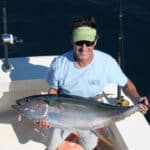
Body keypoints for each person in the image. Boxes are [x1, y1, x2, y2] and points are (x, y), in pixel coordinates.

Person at [40, 16, 149, 150]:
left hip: (93, 110)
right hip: (65, 111)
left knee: (90, 146)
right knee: (51, 147)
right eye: (79, 42)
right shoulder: (59, 65)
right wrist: (46, 117)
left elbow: (126, 84)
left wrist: (138, 99)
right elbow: (53, 92)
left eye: (89, 42)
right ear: (72, 41)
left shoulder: (107, 63)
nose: (84, 47)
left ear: (95, 41)